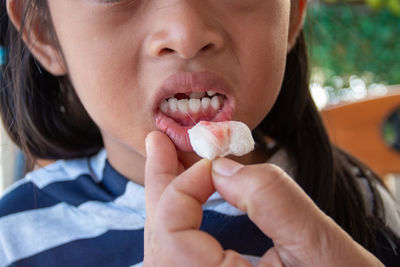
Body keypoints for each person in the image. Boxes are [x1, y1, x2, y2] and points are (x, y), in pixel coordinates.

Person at [0, 0, 399, 266]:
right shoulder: (13, 236)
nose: (186, 33)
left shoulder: (359, 200)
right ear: (44, 33)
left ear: (292, 15)